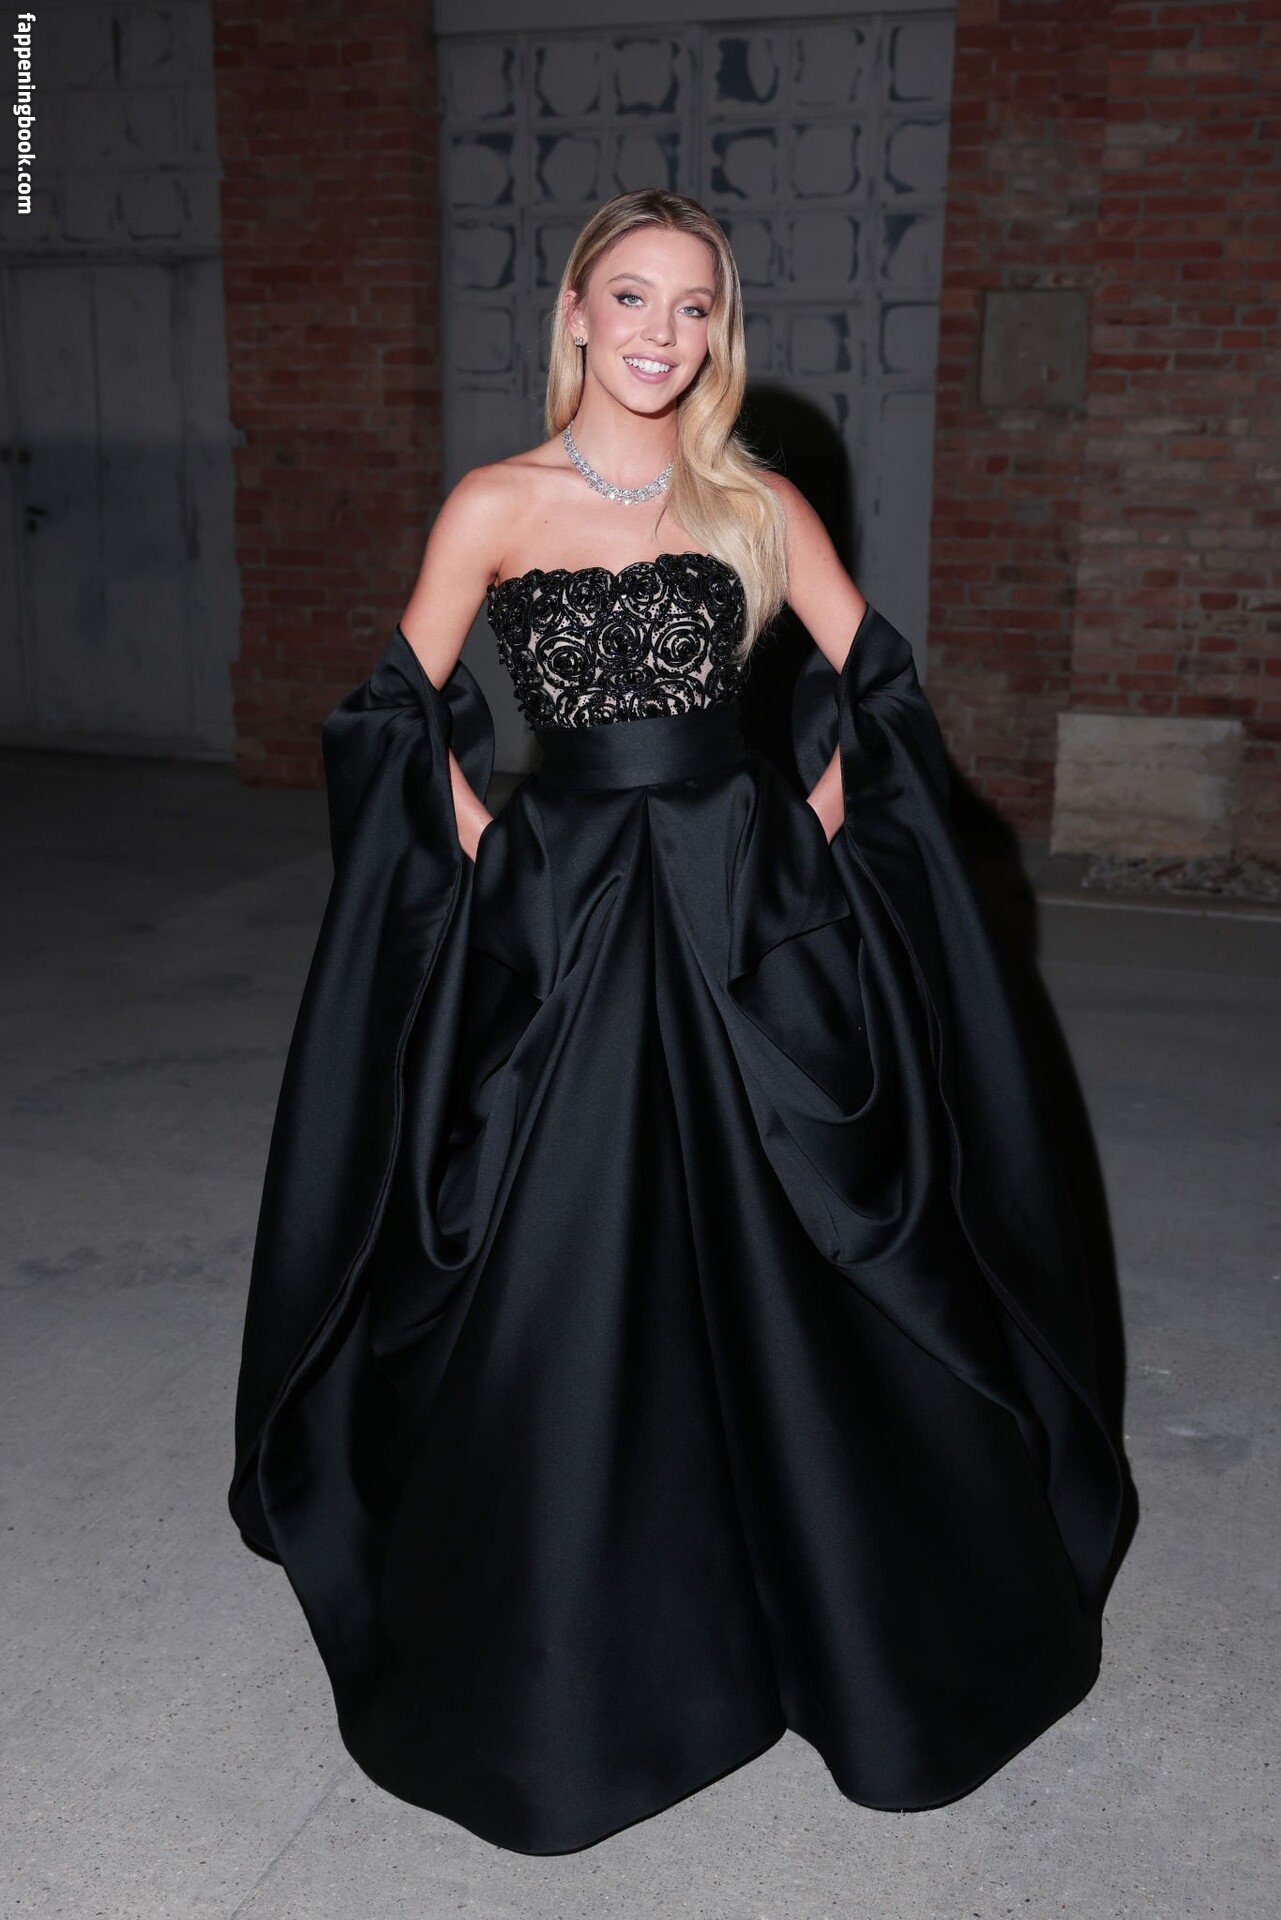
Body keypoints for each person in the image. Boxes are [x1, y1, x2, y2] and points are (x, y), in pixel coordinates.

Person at [229, 189, 1127, 1857]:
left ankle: (824, 1607)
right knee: (562, 1257)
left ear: (720, 331)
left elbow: (876, 678)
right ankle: (591, 1638)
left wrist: (809, 832)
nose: (662, 332)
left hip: (740, 919)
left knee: (806, 1253)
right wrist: (490, 856)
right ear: (574, 312)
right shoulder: (494, 502)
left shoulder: (754, 501)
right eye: (632, 297)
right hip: (565, 926)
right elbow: (388, 711)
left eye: (694, 305)